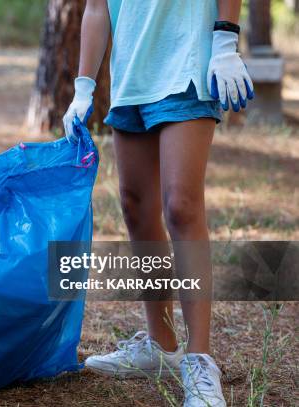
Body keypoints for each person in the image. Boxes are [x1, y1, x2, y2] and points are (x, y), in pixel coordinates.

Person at [63, 1, 253, 406]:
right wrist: (84, 86)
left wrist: (224, 41)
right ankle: (161, 344)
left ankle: (200, 361)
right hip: (132, 75)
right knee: (135, 207)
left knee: (181, 206)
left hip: (187, 64)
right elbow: (96, 8)